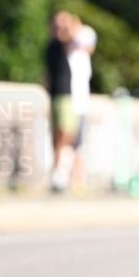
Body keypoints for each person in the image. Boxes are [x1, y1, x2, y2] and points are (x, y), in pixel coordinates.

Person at [44, 11, 78, 192]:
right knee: (58, 136)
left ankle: (61, 172)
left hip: (66, 93)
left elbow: (75, 34)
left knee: (66, 134)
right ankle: (57, 173)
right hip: (56, 95)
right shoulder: (51, 46)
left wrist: (67, 21)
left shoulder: (66, 43)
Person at [67, 16, 98, 192]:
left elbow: (89, 45)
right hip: (72, 100)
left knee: (78, 144)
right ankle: (71, 177)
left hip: (80, 102)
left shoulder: (83, 38)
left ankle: (78, 179)